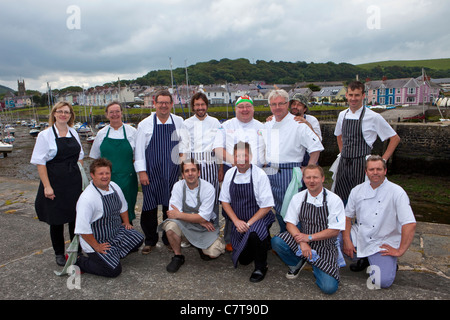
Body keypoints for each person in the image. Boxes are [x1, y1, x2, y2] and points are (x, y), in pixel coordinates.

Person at [342, 155, 416, 289]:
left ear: (385, 171)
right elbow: (347, 217)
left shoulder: (397, 192)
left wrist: (400, 251)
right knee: (334, 240)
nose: (375, 172)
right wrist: (347, 240)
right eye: (371, 169)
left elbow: (409, 223)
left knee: (383, 281)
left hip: (382, 242)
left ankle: (383, 261)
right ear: (366, 172)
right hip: (361, 236)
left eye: (378, 169)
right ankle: (364, 259)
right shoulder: (357, 190)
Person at [271, 165, 346, 295]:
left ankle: (316, 263)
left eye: (315, 177)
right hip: (303, 239)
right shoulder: (298, 197)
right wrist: (302, 242)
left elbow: (334, 230)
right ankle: (297, 263)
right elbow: (289, 223)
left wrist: (309, 238)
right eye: (308, 177)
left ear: (322, 178)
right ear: (303, 179)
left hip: (326, 245)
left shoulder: (334, 200)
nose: (311, 181)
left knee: (329, 288)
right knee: (277, 242)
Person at [31, 102, 84, 266]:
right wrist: (47, 186)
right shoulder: (44, 135)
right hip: (54, 181)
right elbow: (40, 163)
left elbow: (80, 155)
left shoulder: (73, 132)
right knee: (56, 220)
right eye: (60, 111)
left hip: (73, 181)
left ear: (70, 115)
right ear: (54, 114)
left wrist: (79, 175)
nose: (63, 115)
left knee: (75, 218)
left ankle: (76, 250)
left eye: (66, 112)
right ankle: (59, 253)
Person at [263, 89, 324, 232]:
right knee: (276, 208)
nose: (277, 107)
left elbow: (316, 147)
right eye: (273, 104)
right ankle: (285, 238)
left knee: (291, 212)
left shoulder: (298, 124)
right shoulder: (268, 123)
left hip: (289, 173)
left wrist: (309, 168)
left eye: (281, 104)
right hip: (270, 171)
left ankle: (295, 243)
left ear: (287, 104)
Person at [134, 89, 184, 255]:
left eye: (166, 102)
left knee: (169, 207)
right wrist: (142, 172)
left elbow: (183, 147)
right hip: (151, 173)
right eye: (160, 102)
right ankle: (150, 240)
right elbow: (139, 151)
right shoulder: (145, 124)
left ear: (171, 104)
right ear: (154, 104)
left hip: (172, 172)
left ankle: (168, 238)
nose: (163, 105)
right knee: (149, 207)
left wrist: (183, 169)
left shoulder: (179, 121)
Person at [74, 158, 144, 278]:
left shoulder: (114, 186)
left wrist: (126, 222)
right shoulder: (87, 198)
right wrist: (96, 246)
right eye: (100, 174)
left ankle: (112, 254)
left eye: (107, 173)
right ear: (92, 175)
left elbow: (123, 207)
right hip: (98, 240)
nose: (105, 176)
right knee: (113, 271)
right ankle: (80, 260)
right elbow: (82, 229)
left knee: (139, 238)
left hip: (115, 233)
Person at [333, 81, 400, 204]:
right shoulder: (342, 115)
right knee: (340, 198)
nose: (353, 99)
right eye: (351, 95)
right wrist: (343, 153)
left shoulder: (373, 117)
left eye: (357, 95)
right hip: (344, 163)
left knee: (362, 200)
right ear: (346, 95)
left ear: (363, 96)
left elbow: (395, 138)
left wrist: (383, 160)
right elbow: (339, 135)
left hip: (362, 164)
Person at [213, 95, 266, 250]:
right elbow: (217, 148)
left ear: (253, 109)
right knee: (231, 205)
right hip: (233, 169)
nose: (244, 110)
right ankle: (230, 239)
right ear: (235, 109)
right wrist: (236, 161)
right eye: (241, 107)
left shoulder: (262, 126)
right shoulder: (225, 126)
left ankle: (259, 237)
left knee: (256, 204)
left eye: (247, 106)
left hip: (256, 172)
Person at [219, 142, 275, 283]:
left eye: (245, 156)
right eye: (238, 156)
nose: (241, 159)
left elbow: (267, 206)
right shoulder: (230, 174)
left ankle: (261, 266)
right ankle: (260, 245)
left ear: (250, 156)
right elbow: (224, 202)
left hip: (258, 217)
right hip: (238, 220)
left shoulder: (259, 175)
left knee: (255, 234)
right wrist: (236, 221)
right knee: (243, 260)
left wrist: (248, 223)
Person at [158, 159, 225, 273]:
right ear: (183, 175)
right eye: (187, 171)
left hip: (205, 228)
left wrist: (197, 218)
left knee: (213, 253)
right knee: (170, 226)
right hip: (187, 225)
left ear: (199, 172)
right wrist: (199, 219)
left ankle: (200, 246)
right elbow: (172, 214)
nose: (190, 173)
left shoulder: (208, 188)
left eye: (193, 170)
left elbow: (182, 214)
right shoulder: (178, 186)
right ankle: (178, 256)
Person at [89, 101, 138, 223]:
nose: (115, 114)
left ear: (122, 113)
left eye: (117, 111)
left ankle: (127, 232)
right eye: (111, 112)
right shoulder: (101, 134)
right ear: (107, 115)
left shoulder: (132, 132)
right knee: (107, 208)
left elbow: (138, 157)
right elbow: (95, 158)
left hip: (128, 178)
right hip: (106, 179)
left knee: (127, 206)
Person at [179, 92, 222, 225]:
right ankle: (193, 232)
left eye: (202, 104)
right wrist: (183, 170)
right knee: (193, 197)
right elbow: (184, 148)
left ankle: (213, 228)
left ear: (207, 106)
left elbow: (219, 146)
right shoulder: (187, 123)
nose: (200, 107)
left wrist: (221, 168)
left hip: (211, 165)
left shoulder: (215, 122)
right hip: (193, 165)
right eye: (197, 105)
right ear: (193, 107)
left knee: (212, 197)